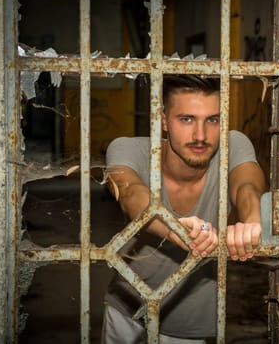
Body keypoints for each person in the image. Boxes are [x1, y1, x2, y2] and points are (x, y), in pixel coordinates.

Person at [102, 74, 266, 343]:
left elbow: (247, 186)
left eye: (212, 120)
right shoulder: (130, 149)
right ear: (164, 120)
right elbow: (131, 193)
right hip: (127, 304)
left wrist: (252, 221)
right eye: (186, 119)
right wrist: (176, 228)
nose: (200, 136)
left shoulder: (233, 145)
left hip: (190, 315)